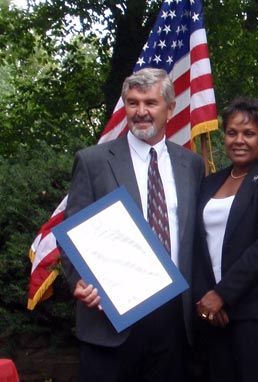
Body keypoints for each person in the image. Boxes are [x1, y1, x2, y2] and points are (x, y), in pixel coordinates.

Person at [60, 68, 205, 382]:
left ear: (170, 108)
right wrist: (78, 281)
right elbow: (72, 233)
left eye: (150, 103)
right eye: (133, 103)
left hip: (173, 319)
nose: (141, 112)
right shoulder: (93, 161)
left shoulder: (191, 164)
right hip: (111, 318)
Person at [193, 96, 258, 382]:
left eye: (249, 133)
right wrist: (207, 299)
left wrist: (223, 294)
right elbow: (197, 245)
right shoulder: (210, 182)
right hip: (215, 316)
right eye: (232, 132)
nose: (239, 140)